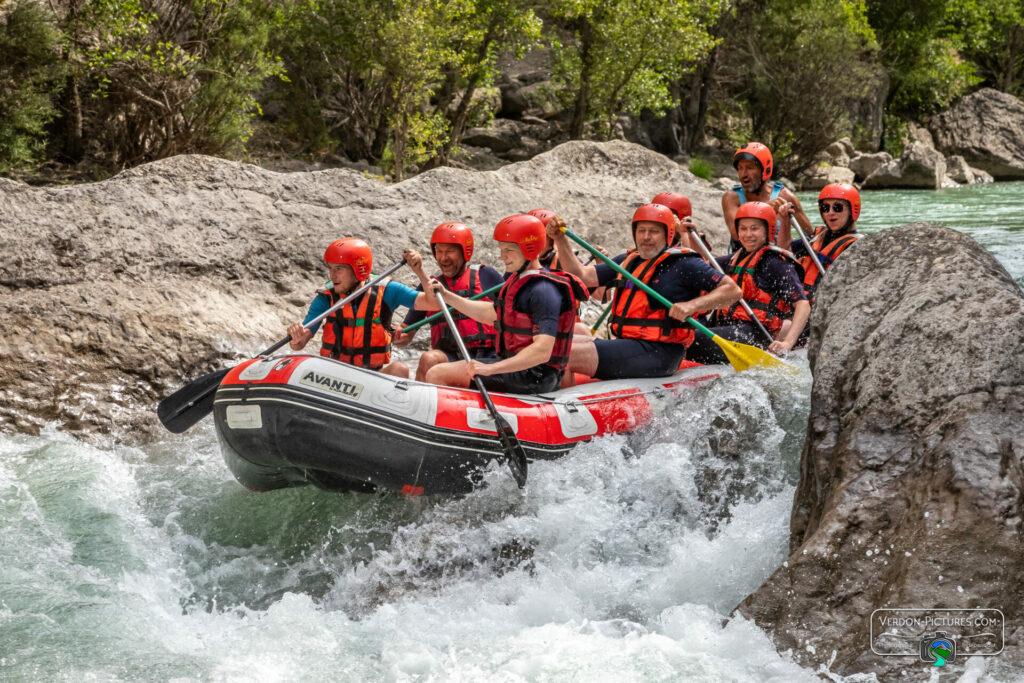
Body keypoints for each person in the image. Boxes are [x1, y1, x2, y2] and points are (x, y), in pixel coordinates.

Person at [545, 203, 742, 380]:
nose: (646, 237)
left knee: (564, 353)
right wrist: (560, 239)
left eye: (654, 231)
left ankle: (555, 407)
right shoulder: (629, 260)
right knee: (556, 342)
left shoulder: (685, 264)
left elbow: (732, 291)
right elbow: (580, 275)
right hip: (630, 343)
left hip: (660, 353)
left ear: (667, 234)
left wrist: (691, 306)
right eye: (641, 231)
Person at [425, 214, 588, 394]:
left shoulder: (544, 290)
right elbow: (491, 313)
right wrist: (447, 296)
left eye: (508, 250)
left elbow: (542, 351)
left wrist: (490, 369)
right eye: (501, 250)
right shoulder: (518, 280)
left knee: (437, 374)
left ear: (529, 248)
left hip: (535, 375)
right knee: (440, 370)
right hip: (518, 368)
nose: (502, 257)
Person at [287, 237, 438, 378]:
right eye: (330, 268)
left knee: (400, 370)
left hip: (371, 376)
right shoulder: (326, 297)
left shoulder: (387, 290)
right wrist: (296, 339)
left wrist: (419, 271)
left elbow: (431, 303)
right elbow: (300, 343)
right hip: (334, 373)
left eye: (339, 269)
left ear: (358, 269)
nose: (332, 276)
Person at [686, 202, 810, 362]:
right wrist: (691, 235)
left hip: (754, 335)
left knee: (690, 339)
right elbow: (700, 268)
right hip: (727, 328)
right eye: (743, 229)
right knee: (680, 332)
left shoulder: (775, 263)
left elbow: (803, 305)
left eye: (754, 228)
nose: (748, 234)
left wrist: (787, 343)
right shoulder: (732, 260)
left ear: (768, 230)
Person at [394, 222, 503, 381]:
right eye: (439, 251)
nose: (443, 258)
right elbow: (406, 334)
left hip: (488, 356)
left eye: (450, 251)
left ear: (465, 253)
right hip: (449, 356)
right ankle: (423, 402)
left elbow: (514, 313)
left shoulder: (487, 276)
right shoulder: (429, 286)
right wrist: (396, 335)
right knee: (428, 359)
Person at [777, 182, 861, 304]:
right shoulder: (817, 237)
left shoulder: (857, 246)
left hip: (821, 305)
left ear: (853, 210)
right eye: (825, 208)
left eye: (837, 207)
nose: (830, 212)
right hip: (797, 302)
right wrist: (785, 221)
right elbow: (784, 250)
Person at [722, 142, 813, 252]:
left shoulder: (785, 196)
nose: (743, 174)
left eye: (749, 168)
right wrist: (764, 210)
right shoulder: (732, 197)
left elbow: (810, 234)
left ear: (766, 170)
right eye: (740, 168)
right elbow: (737, 235)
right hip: (744, 257)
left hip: (778, 254)